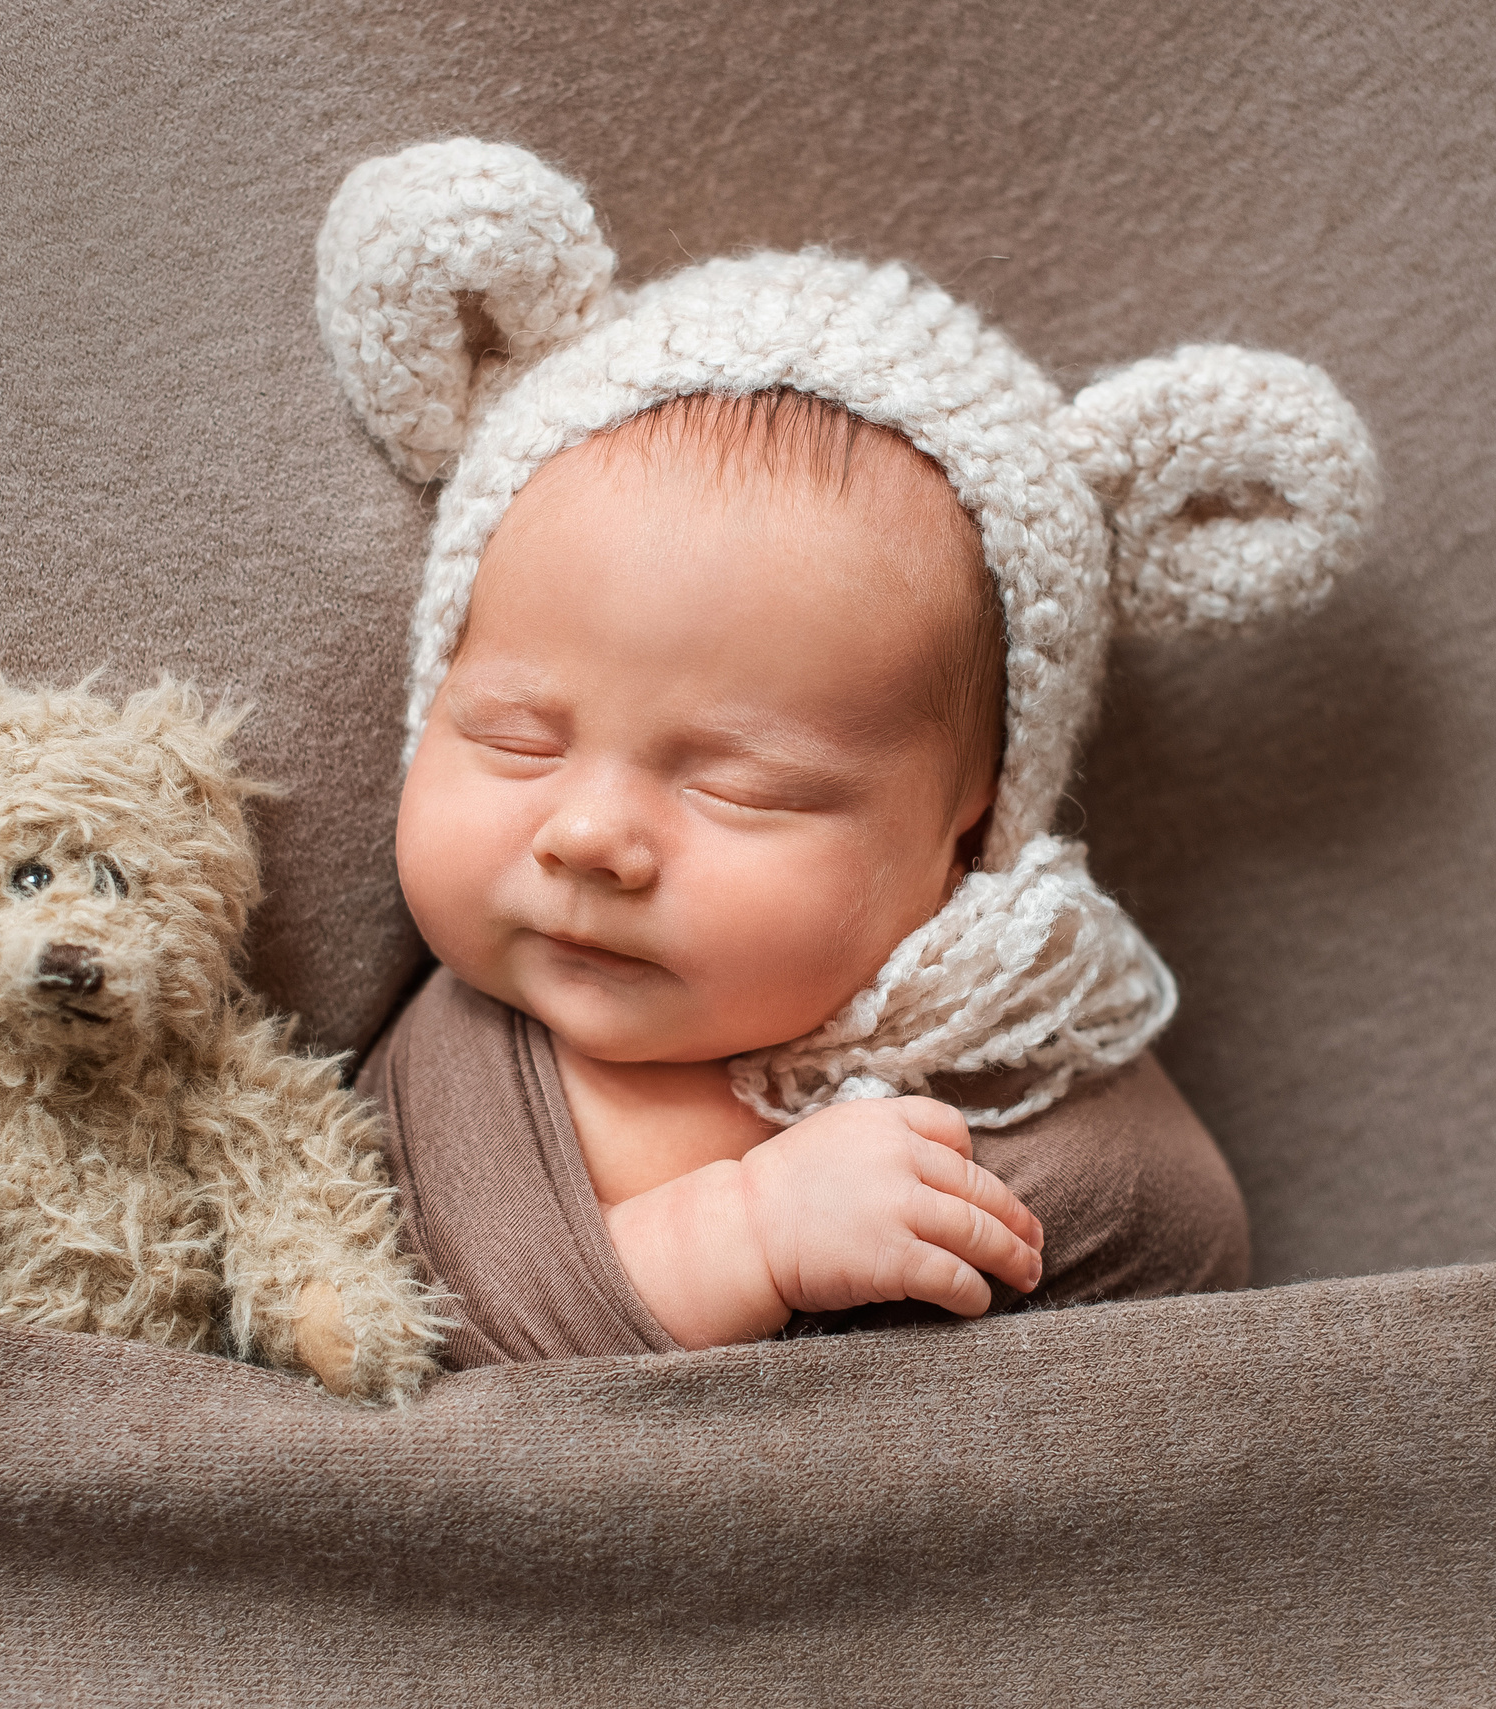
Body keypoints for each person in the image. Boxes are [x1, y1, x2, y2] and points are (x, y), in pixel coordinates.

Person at [320, 140, 1377, 1368]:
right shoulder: (445, 1067)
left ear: (967, 834)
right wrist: (739, 1239)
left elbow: (1164, 1260)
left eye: (735, 784)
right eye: (513, 738)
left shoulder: (1022, 1094)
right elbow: (373, 1358)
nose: (590, 835)